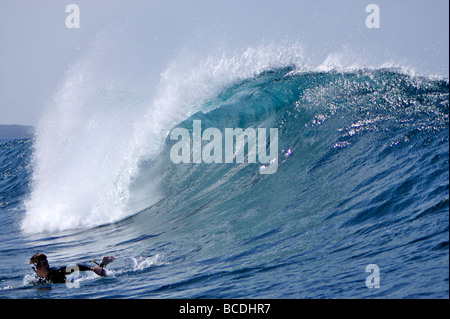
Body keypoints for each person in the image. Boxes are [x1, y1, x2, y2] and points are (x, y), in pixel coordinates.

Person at [29, 253, 114, 284]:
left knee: (103, 274)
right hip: (71, 281)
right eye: (44, 264)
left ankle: (101, 265)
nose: (48, 265)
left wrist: (92, 268)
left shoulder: (56, 272)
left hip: (76, 280)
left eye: (47, 262)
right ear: (37, 268)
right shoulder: (37, 280)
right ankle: (102, 264)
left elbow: (74, 267)